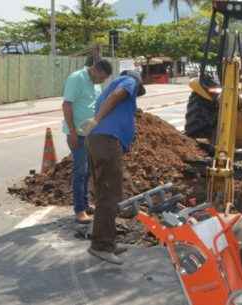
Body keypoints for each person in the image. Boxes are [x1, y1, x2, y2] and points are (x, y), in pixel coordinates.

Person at [80, 69, 146, 265]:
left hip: (100, 140)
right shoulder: (129, 81)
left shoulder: (110, 88)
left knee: (105, 193)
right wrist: (97, 120)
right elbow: (120, 95)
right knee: (110, 194)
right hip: (106, 141)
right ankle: (101, 246)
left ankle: (106, 242)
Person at [61, 57, 111, 224]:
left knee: (88, 171)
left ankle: (85, 203)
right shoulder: (76, 78)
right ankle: (79, 210)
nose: (102, 81)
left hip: (90, 134)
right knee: (80, 172)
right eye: (102, 77)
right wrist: (72, 132)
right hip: (77, 134)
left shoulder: (95, 82)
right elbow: (67, 105)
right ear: (95, 69)